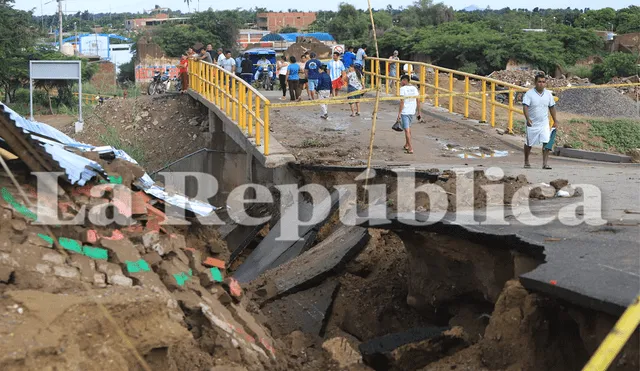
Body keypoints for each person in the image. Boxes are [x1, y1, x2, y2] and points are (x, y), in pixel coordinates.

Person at [522, 73, 558, 169]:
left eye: (543, 82)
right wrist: (527, 118)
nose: (541, 84)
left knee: (546, 141)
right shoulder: (529, 94)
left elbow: (552, 107)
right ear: (535, 82)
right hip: (532, 123)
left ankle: (545, 163)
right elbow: (525, 106)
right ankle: (526, 161)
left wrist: (555, 120)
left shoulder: (548, 94)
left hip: (544, 123)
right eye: (539, 82)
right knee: (529, 143)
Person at [398, 74, 422, 154]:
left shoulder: (402, 89)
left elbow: (402, 102)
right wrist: (419, 112)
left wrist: (399, 113)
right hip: (412, 111)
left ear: (404, 80)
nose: (400, 82)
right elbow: (418, 100)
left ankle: (410, 148)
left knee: (407, 130)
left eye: (401, 80)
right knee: (408, 129)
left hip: (405, 112)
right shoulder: (414, 88)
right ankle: (407, 144)